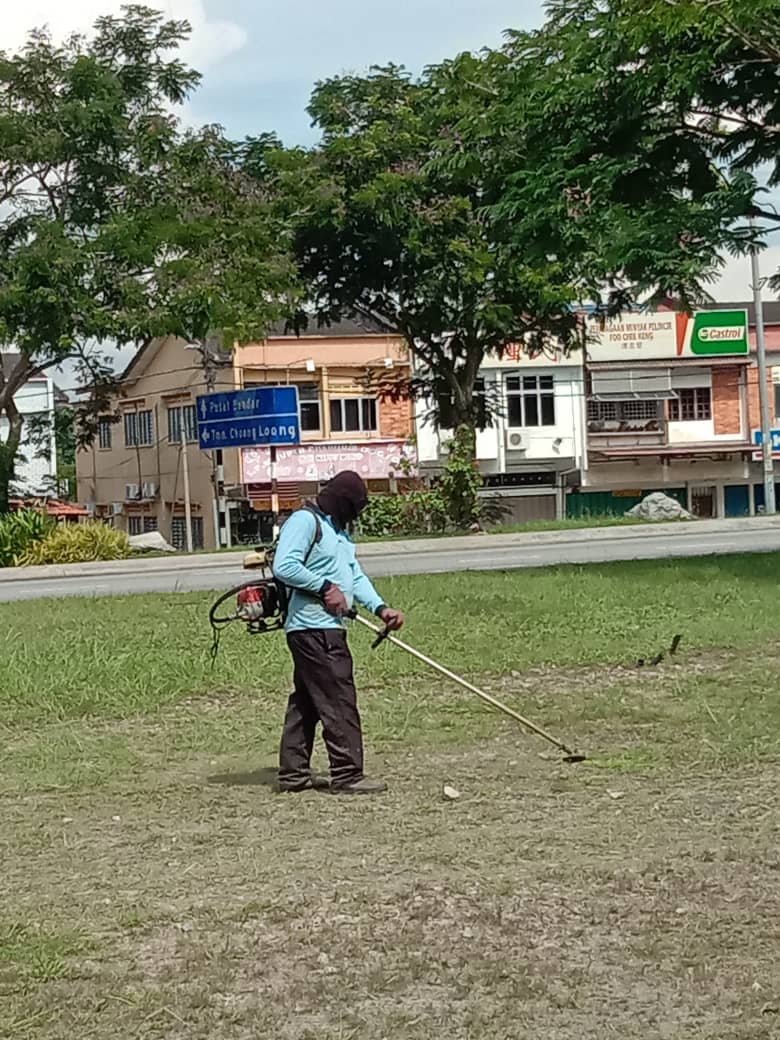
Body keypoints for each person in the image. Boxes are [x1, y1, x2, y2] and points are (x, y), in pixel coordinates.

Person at [272, 470, 405, 794]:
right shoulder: (305, 522)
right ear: (341, 502)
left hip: (329, 627)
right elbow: (284, 566)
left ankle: (294, 774)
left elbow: (353, 575)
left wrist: (380, 607)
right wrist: (323, 587)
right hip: (312, 627)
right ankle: (347, 774)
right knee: (338, 699)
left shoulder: (338, 532)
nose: (354, 517)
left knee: (307, 702)